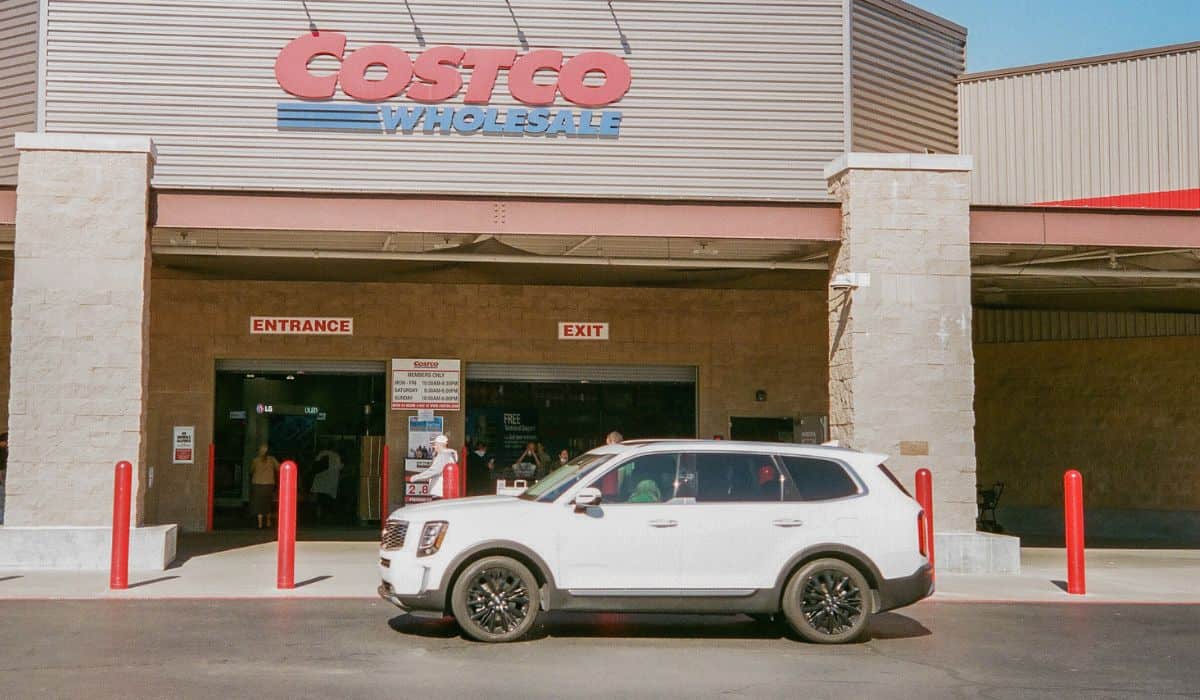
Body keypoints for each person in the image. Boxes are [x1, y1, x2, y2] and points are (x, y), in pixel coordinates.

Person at [410, 434, 458, 500]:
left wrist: (416, 477)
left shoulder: (443, 455)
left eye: (435, 444)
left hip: (439, 492)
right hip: (443, 492)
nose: (433, 447)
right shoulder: (448, 455)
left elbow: (434, 471)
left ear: (441, 444)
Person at [250, 444, 280, 529]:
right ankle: (268, 522)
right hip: (269, 484)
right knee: (267, 503)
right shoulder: (272, 460)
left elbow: (251, 470)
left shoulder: (255, 460)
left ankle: (259, 523)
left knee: (258, 504)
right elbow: (279, 468)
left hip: (257, 484)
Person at [310, 448, 343, 522]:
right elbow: (339, 467)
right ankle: (327, 515)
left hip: (320, 480)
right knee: (328, 500)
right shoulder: (336, 456)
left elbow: (315, 465)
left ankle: (320, 515)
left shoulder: (322, 453)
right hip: (332, 481)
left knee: (320, 500)